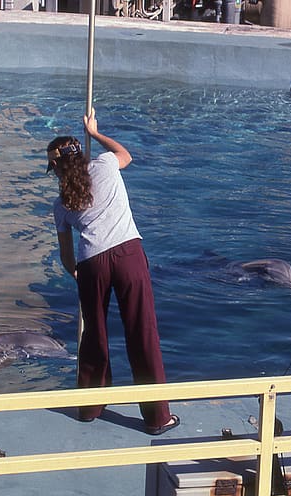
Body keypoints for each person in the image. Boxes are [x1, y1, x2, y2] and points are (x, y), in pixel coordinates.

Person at [47, 109, 179, 435]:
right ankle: (157, 418)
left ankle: (90, 408)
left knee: (94, 335)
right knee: (141, 333)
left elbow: (66, 255)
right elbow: (126, 155)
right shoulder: (105, 164)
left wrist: (76, 274)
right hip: (128, 255)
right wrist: (94, 133)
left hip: (91, 264)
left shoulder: (60, 204)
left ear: (56, 168)